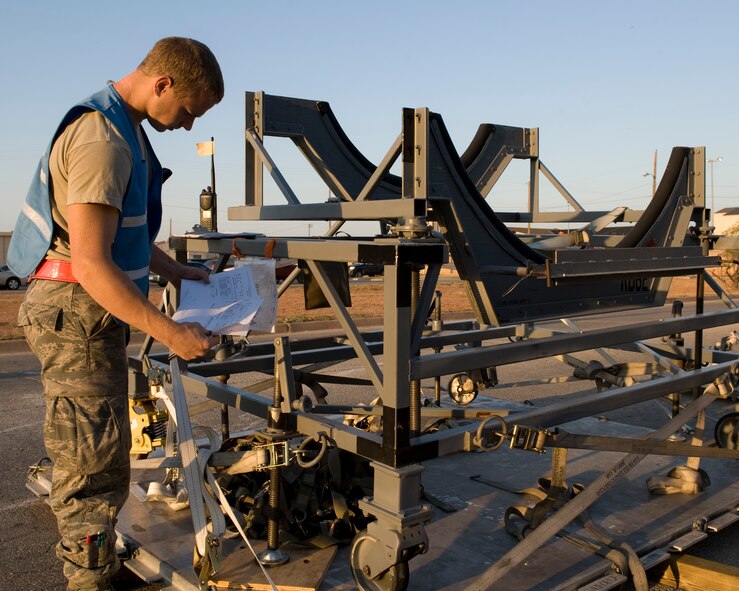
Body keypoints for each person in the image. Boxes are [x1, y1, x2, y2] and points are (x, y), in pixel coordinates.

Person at [7, 37, 224, 591]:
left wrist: (175, 271)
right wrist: (170, 331)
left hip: (89, 317)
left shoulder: (124, 127)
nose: (186, 126)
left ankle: (99, 568)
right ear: (164, 84)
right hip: (76, 315)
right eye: (188, 112)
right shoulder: (102, 140)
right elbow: (92, 262)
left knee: (105, 456)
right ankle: (89, 581)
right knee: (89, 467)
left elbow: (121, 236)